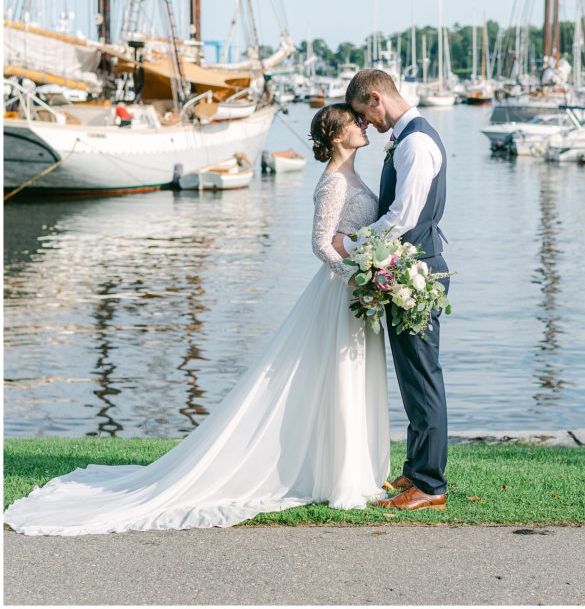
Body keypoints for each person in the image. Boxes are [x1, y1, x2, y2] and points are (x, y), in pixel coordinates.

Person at [4, 104, 390, 536]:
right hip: (342, 293)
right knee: (336, 374)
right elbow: (320, 244)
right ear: (337, 136)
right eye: (355, 123)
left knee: (349, 374)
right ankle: (339, 475)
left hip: (354, 291)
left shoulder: (352, 175)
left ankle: (347, 466)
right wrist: (353, 276)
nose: (363, 125)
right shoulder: (333, 183)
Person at [333, 68, 450, 512]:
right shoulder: (408, 138)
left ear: (377, 99)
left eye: (365, 114)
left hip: (416, 272)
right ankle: (416, 468)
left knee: (423, 378)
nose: (366, 125)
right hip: (406, 270)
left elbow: (401, 219)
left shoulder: (416, 144)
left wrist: (351, 245)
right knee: (411, 376)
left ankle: (431, 484)